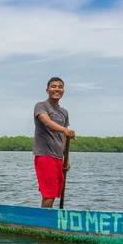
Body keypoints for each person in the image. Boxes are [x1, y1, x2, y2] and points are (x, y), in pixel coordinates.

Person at [33, 77, 76, 208]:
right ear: (47, 90)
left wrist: (65, 158)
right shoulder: (41, 106)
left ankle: (48, 221)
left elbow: (63, 136)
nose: (56, 89)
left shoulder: (64, 112)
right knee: (49, 193)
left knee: (56, 192)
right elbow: (47, 122)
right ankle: (43, 225)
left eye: (60, 86)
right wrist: (65, 130)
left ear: (63, 90)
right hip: (45, 155)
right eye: (53, 86)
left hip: (58, 157)